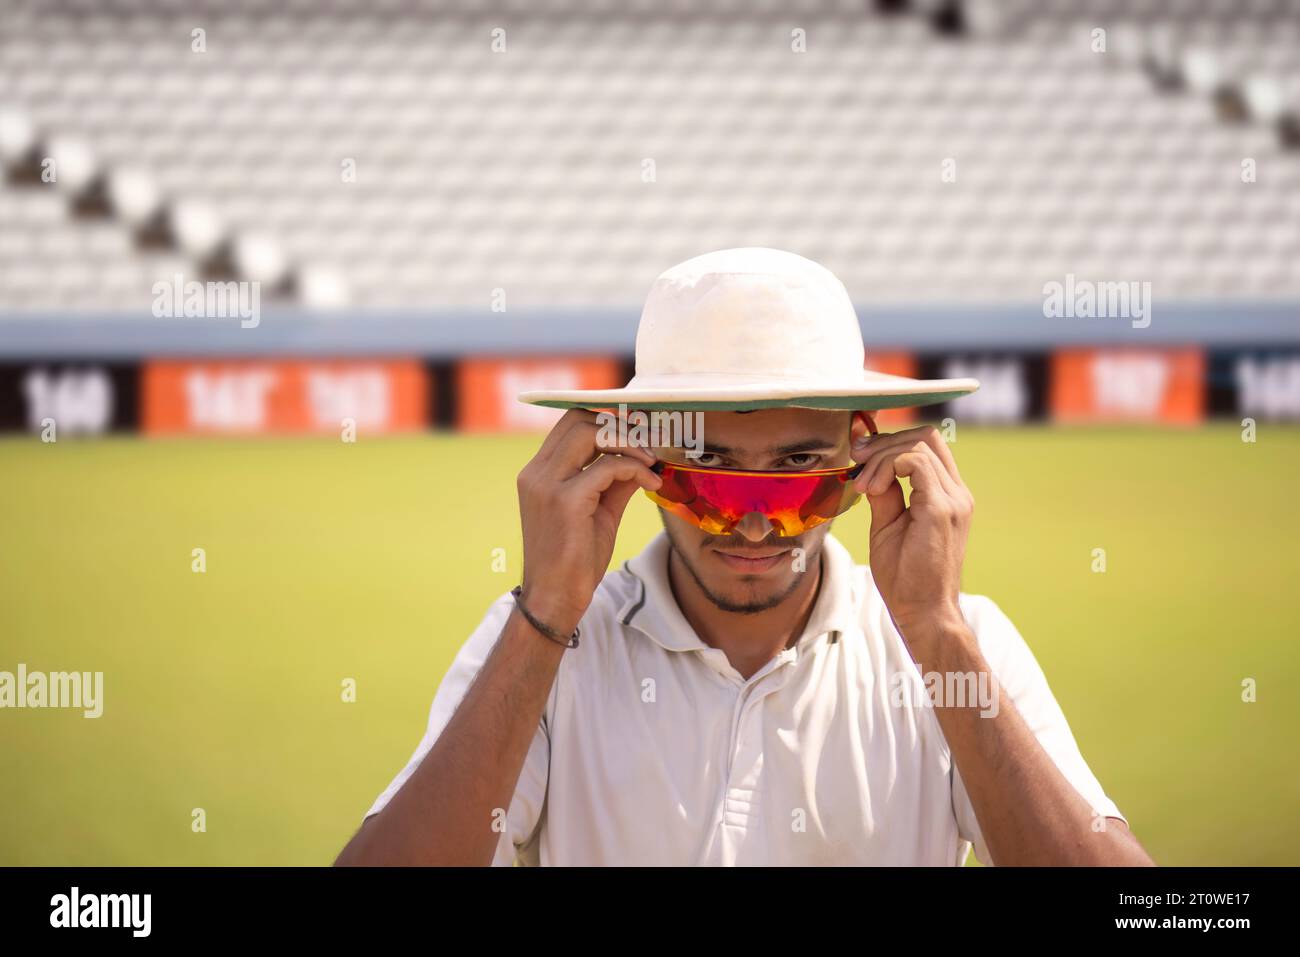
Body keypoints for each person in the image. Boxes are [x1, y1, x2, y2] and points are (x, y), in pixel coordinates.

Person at [335, 247, 1155, 866]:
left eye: (799, 474)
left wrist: (936, 632)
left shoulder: (961, 643)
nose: (756, 527)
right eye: (712, 482)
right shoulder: (544, 646)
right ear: (640, 464)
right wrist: (545, 613)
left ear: (862, 464)